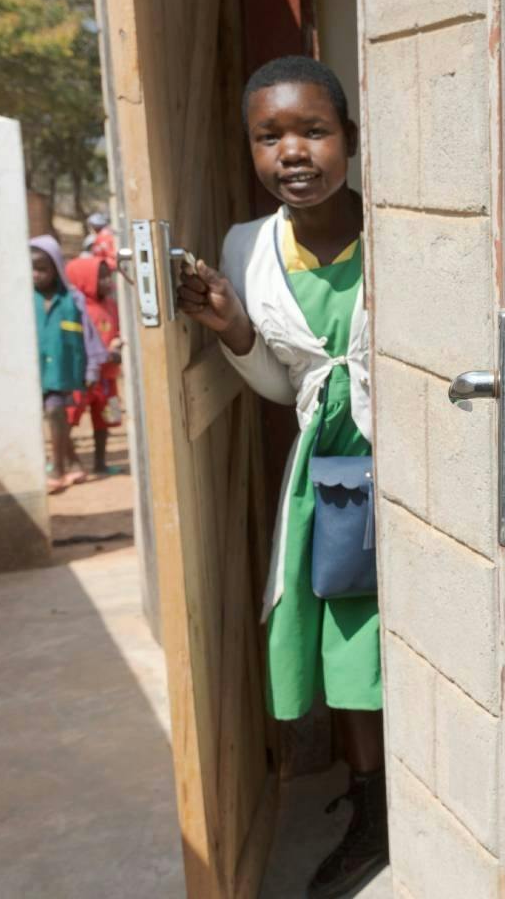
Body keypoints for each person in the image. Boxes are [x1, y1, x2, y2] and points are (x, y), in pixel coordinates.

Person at [173, 55, 384, 898]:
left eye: (313, 130)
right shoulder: (247, 249)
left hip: (413, 469)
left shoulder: (400, 227)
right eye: (270, 137)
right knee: (346, 639)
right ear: (253, 150)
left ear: (351, 141)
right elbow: (282, 389)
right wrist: (232, 330)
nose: (292, 152)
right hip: (330, 478)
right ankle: (372, 808)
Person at [31, 234, 106, 495]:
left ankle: (58, 469)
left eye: (42, 268)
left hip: (64, 370)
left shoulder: (73, 299)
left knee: (55, 411)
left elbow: (89, 335)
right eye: (31, 268)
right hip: (36, 370)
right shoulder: (25, 299)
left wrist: (93, 366)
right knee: (56, 416)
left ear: (56, 268)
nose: (36, 275)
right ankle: (74, 464)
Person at [64, 255, 125, 477]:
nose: (107, 283)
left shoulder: (111, 304)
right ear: (84, 280)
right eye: (101, 279)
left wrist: (117, 345)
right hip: (82, 378)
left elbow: (118, 331)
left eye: (108, 277)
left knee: (106, 419)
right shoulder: (77, 307)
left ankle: (100, 463)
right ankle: (67, 461)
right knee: (69, 418)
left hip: (108, 377)